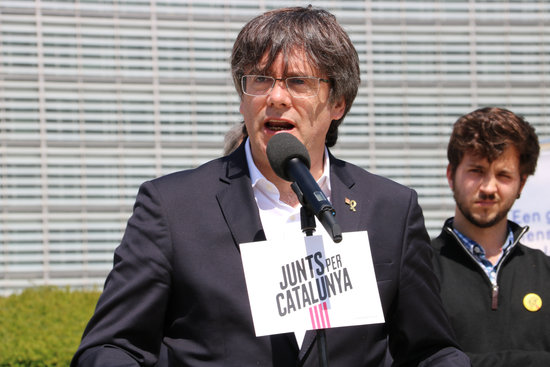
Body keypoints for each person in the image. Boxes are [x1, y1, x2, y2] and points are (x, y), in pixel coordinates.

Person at [72, 6, 470, 366]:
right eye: (260, 80)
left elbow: (431, 351)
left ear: (338, 103)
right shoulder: (172, 207)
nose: (276, 97)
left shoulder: (391, 209)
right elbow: (109, 348)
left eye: (298, 81)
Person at [431, 107, 550, 366]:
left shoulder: (546, 271)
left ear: (522, 183)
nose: (488, 187)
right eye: (476, 171)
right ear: (451, 175)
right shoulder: (419, 270)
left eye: (503, 175)